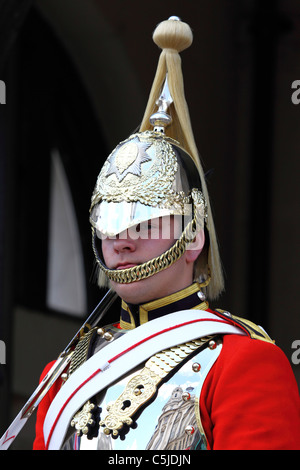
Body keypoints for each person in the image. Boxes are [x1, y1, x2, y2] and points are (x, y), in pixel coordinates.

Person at [33, 17, 300, 450]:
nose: (122, 241)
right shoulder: (65, 371)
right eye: (111, 224)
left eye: (146, 224)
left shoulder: (242, 362)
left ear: (193, 235)